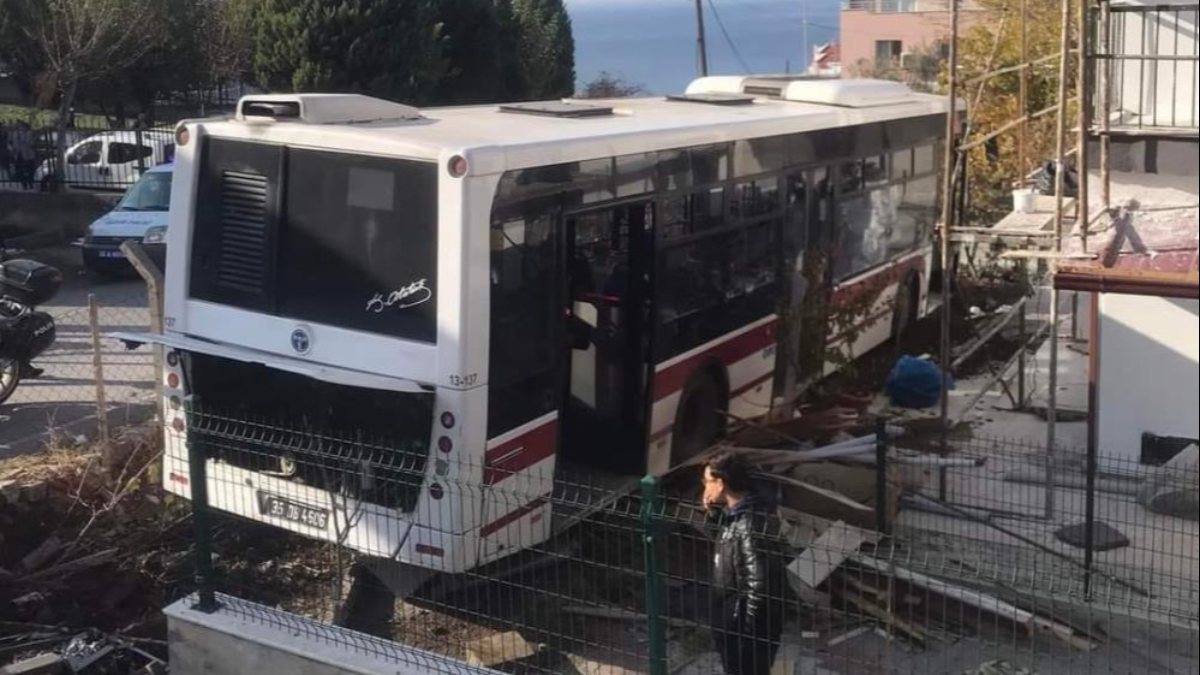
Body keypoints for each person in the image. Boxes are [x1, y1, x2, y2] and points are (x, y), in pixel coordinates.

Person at [702, 450, 787, 675]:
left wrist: (743, 633)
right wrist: (711, 514)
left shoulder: (749, 524)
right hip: (733, 624)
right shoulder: (736, 516)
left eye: (707, 481)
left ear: (720, 484)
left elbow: (758, 586)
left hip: (745, 632)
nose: (705, 487)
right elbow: (724, 540)